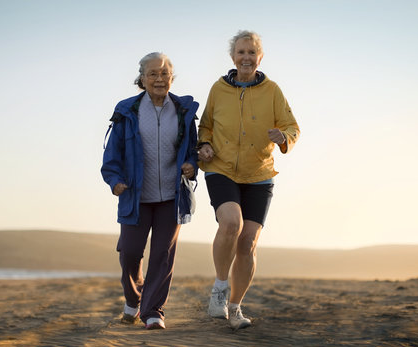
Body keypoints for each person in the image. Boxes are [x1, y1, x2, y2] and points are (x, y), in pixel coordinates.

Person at [198, 30, 300, 330]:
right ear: (233, 57)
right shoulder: (219, 89)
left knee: (248, 243)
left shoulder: (273, 91)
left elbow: (292, 126)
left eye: (251, 53)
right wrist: (203, 145)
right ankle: (219, 287)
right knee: (231, 223)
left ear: (260, 57)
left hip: (259, 173)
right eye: (241, 52)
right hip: (222, 167)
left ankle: (235, 307)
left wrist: (284, 138)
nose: (246, 58)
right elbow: (205, 125)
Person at [101, 52, 199, 330]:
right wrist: (114, 180)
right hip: (135, 195)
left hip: (172, 195)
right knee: (130, 253)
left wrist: (192, 164)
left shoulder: (183, 111)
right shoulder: (127, 111)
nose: (159, 79)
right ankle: (134, 299)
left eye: (164, 73)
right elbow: (112, 153)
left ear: (172, 77)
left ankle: (154, 311)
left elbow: (193, 148)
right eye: (153, 74)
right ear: (142, 79)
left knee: (162, 255)